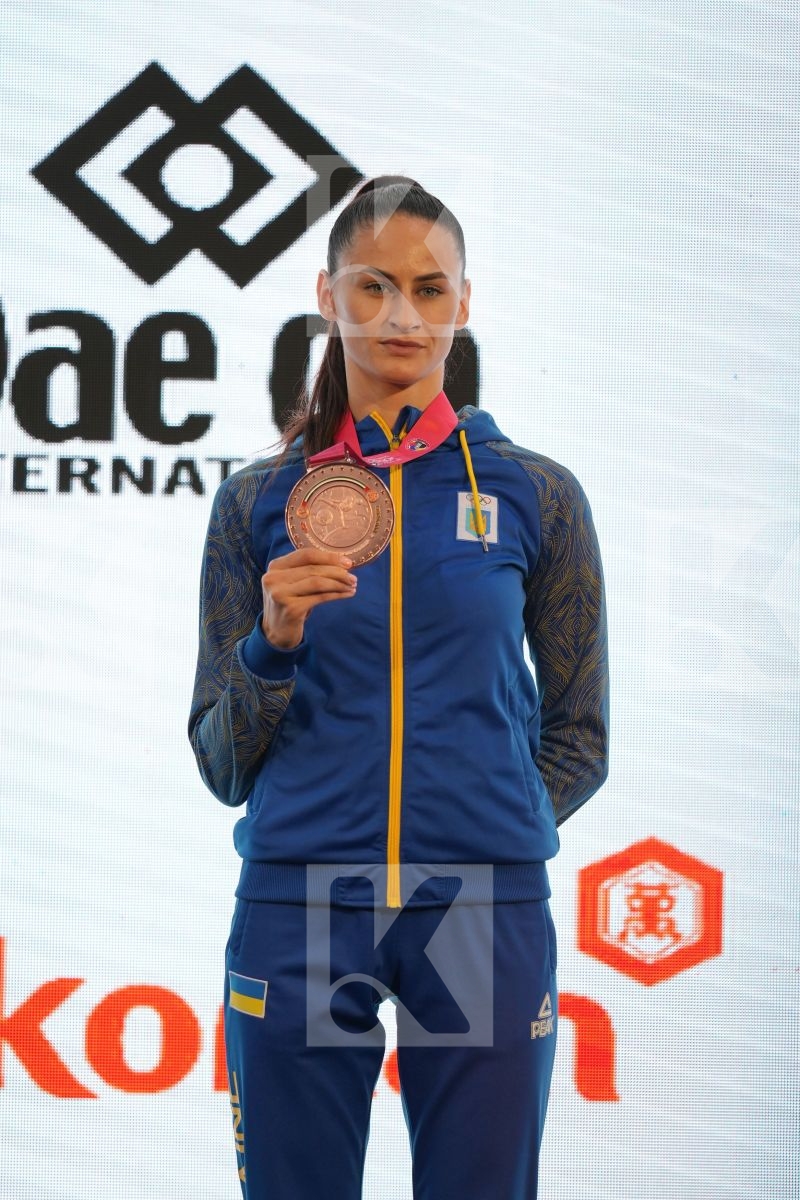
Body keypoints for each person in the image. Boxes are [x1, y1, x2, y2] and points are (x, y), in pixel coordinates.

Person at [188, 175, 609, 1200]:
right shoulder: (257, 503)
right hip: (301, 899)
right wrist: (272, 645)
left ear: (464, 303)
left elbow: (580, 734)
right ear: (326, 295)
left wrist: (487, 829)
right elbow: (220, 761)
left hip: (477, 910)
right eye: (373, 286)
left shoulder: (535, 495)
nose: (400, 316)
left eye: (428, 289)